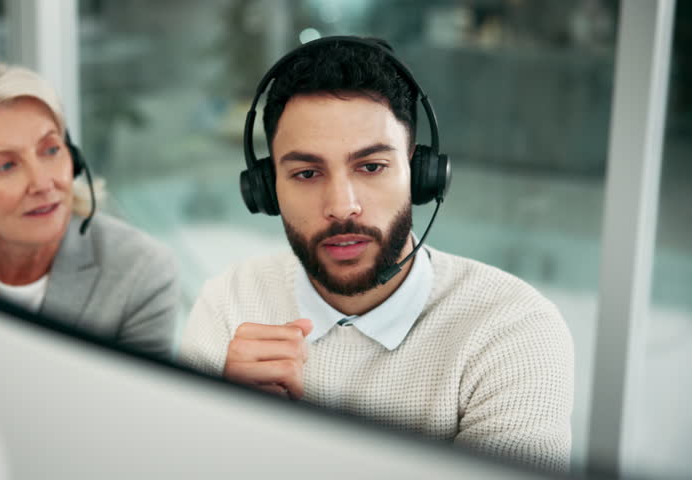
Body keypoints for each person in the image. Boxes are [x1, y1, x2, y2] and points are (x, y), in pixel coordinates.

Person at [178, 36, 574, 472]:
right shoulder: (227, 306)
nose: (342, 205)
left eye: (371, 167)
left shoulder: (512, 330)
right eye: (306, 173)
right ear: (267, 190)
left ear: (420, 175)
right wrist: (224, 427)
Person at [0, 62, 179, 360]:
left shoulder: (141, 273)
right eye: (6, 165)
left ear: (73, 157)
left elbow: (135, 405)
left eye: (51, 150)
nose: (42, 184)